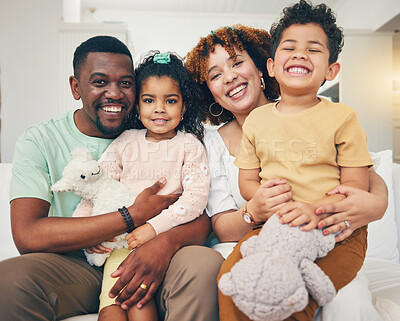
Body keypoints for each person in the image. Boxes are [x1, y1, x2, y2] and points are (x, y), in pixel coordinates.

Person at [0, 35, 223, 321]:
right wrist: (131, 216)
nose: (115, 94)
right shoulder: (41, 140)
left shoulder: (169, 137)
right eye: (99, 82)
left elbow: (197, 210)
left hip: (158, 250)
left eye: (126, 83)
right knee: (9, 281)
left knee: (202, 264)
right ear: (76, 87)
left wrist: (161, 242)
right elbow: (28, 235)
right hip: (81, 261)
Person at [185, 21, 387, 321]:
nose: (230, 77)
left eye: (237, 63)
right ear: (210, 93)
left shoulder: (316, 111)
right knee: (243, 286)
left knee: (336, 298)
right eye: (216, 75)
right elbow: (222, 225)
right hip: (263, 237)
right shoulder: (208, 144)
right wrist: (256, 208)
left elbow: (362, 178)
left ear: (263, 68)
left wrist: (376, 202)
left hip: (328, 232)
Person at [73, 51, 210, 321]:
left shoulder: (189, 146)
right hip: (120, 244)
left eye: (170, 101)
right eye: (149, 100)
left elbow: (195, 199)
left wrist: (153, 228)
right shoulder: (125, 141)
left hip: (162, 246)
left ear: (184, 108)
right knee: (111, 308)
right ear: (137, 106)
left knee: (139, 306)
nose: (159, 109)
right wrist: (86, 229)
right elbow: (98, 185)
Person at [236, 0, 372, 233]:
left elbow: (356, 185)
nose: (299, 54)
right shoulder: (256, 120)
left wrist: (313, 209)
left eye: (313, 49)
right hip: (275, 223)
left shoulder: (343, 117)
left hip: (334, 226)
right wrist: (266, 198)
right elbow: (247, 181)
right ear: (271, 67)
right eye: (289, 48)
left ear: (331, 70)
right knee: (235, 268)